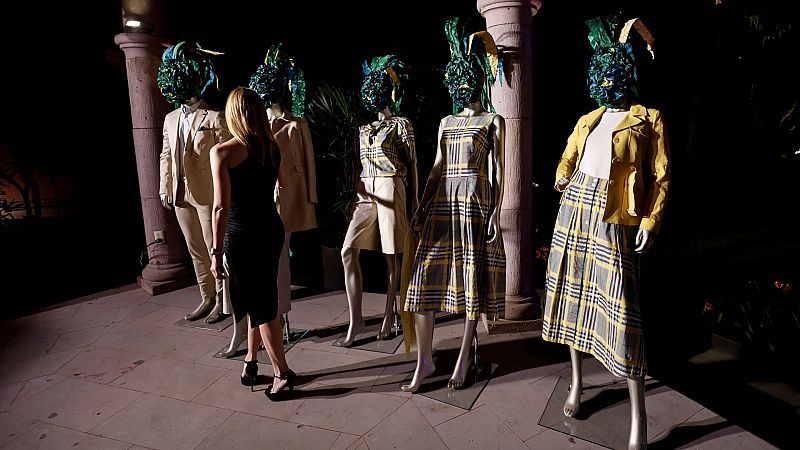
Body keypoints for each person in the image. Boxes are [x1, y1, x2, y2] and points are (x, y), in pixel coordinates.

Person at [541, 15, 669, 450]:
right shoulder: (588, 119)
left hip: (615, 214)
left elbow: (661, 177)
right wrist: (561, 176)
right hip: (574, 207)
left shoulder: (648, 119)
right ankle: (577, 383)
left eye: (614, 72)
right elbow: (567, 158)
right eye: (601, 72)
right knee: (572, 299)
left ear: (627, 72)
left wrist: (650, 221)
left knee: (622, 308)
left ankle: (638, 416)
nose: (607, 80)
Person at [402, 17, 506, 392]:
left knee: (471, 279)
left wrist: (495, 212)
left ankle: (464, 356)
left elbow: (498, 171)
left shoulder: (494, 121)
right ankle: (424, 361)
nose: (461, 85)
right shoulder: (446, 121)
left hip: (475, 203)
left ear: (477, 78)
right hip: (443, 203)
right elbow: (436, 167)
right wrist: (420, 205)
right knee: (422, 281)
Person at [209, 86, 296, 401]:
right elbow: (283, 182)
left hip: (242, 235)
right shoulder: (270, 147)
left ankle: (282, 374)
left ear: (233, 115)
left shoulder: (222, 152)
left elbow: (220, 207)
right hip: (270, 229)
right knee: (257, 299)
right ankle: (250, 360)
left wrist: (216, 251)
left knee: (261, 306)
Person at [336, 55, 419, 347]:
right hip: (366, 191)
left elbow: (413, 164)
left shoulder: (401, 125)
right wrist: (355, 196)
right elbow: (359, 166)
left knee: (392, 255)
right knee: (348, 250)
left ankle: (388, 314)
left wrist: (415, 201)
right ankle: (356, 319)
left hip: (391, 185)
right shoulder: (364, 129)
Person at [157, 41, 230, 323]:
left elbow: (227, 158)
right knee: (194, 248)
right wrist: (164, 187)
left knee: (214, 247)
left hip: (208, 193)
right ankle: (206, 296)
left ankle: (223, 299)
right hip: (180, 193)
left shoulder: (215, 116)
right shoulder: (170, 118)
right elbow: (166, 154)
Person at [250, 43, 317, 342]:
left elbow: (308, 161)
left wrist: (311, 198)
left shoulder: (297, 123)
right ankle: (274, 314)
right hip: (264, 199)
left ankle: (282, 313)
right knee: (271, 258)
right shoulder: (257, 124)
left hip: (290, 197)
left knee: (280, 256)